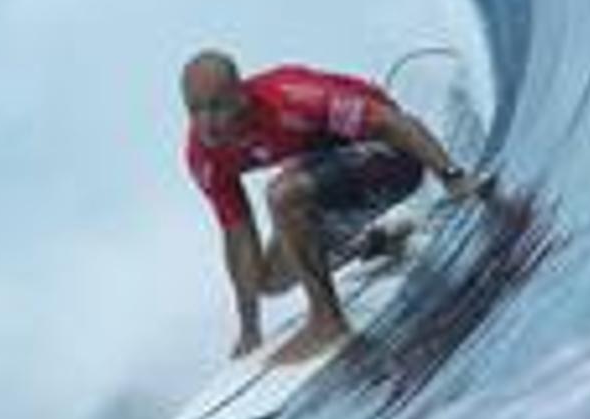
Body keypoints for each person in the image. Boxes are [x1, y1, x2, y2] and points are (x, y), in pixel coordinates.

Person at [181, 49, 485, 365]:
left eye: (216, 107)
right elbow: (237, 232)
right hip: (334, 179)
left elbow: (392, 122)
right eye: (195, 110)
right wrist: (249, 326)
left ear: (240, 96)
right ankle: (372, 241)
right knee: (267, 280)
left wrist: (454, 178)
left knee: (283, 196)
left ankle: (328, 321)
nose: (206, 123)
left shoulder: (291, 99)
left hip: (396, 158)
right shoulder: (204, 155)